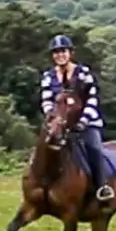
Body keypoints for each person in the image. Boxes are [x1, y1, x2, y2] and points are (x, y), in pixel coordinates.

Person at [39, 34, 111, 203]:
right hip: (59, 124)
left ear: (70, 53)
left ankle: (103, 186)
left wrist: (83, 121)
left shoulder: (83, 73)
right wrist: (53, 119)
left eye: (63, 51)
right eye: (56, 52)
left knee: (94, 148)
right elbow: (47, 101)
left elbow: (92, 99)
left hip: (86, 123)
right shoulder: (48, 76)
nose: (59, 55)